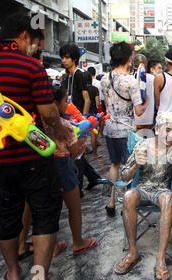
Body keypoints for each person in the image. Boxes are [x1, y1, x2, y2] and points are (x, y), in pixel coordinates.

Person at [0, 13, 69, 280]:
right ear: (24, 36)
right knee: (44, 214)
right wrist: (63, 133)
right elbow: (49, 113)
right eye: (32, 40)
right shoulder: (29, 66)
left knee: (6, 214)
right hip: (34, 158)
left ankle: (13, 273)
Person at [115, 112, 172, 280]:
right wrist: (136, 166)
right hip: (142, 188)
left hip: (162, 189)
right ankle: (133, 252)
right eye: (168, 129)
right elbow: (124, 176)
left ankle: (160, 258)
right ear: (156, 129)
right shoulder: (142, 145)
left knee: (167, 198)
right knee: (128, 195)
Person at [44, 85, 98, 255]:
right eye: (65, 101)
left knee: (50, 209)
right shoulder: (65, 126)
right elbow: (75, 152)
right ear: (55, 103)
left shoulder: (37, 124)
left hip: (43, 167)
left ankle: (52, 247)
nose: (66, 104)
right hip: (64, 166)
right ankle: (78, 241)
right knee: (74, 207)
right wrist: (82, 144)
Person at [100, 42, 149, 216]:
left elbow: (103, 103)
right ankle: (128, 203)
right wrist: (147, 101)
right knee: (129, 167)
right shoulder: (131, 81)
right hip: (126, 130)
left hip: (110, 127)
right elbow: (139, 111)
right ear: (129, 58)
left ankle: (111, 201)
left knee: (114, 165)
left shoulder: (104, 79)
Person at [60, 43, 101, 197]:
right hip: (68, 120)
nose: (64, 60)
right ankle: (93, 177)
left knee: (76, 154)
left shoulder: (79, 75)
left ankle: (78, 187)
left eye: (67, 57)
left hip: (78, 121)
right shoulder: (66, 76)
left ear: (74, 59)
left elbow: (87, 99)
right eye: (63, 57)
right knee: (77, 154)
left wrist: (82, 121)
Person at [133, 54, 155, 130]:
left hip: (135, 119)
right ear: (145, 64)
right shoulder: (153, 78)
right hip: (149, 118)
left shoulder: (131, 78)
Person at [84, 70, 102, 160]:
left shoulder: (82, 90)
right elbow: (97, 102)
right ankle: (95, 154)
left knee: (83, 135)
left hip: (84, 113)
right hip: (93, 114)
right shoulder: (95, 89)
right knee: (93, 135)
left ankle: (85, 150)